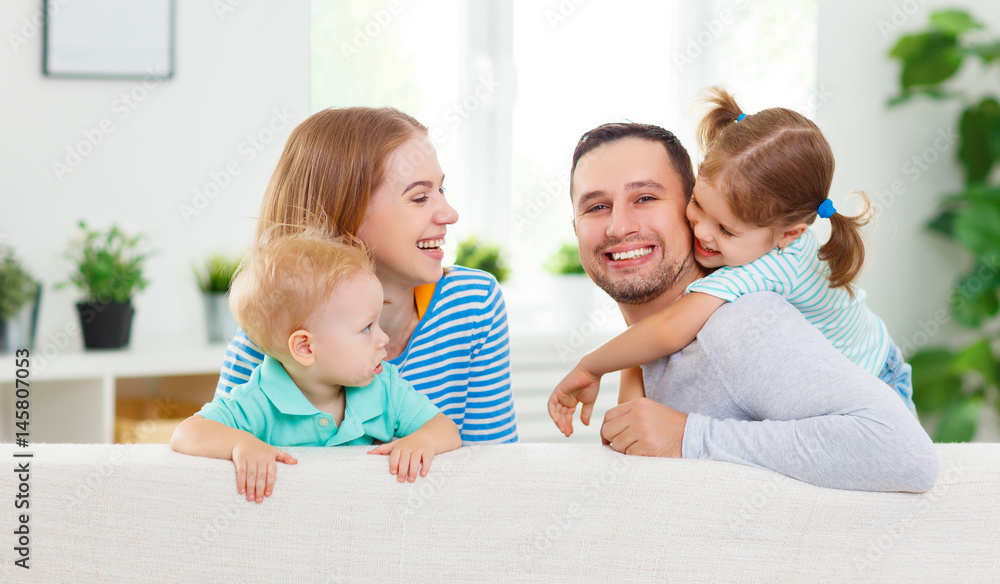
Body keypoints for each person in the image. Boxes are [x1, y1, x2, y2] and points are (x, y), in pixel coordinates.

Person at [547, 117, 938, 492]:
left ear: (685, 206)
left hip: (879, 366)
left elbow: (906, 454)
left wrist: (691, 436)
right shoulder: (647, 354)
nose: (619, 226)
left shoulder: (741, 322)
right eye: (596, 206)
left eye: (646, 197)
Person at [214, 107, 517, 445]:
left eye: (441, 191)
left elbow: (494, 471)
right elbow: (223, 477)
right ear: (343, 213)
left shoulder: (472, 303)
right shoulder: (273, 333)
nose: (449, 213)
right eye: (419, 197)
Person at [172, 232, 462, 502]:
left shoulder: (384, 387)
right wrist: (240, 444)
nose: (382, 338)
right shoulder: (258, 400)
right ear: (305, 348)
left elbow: (446, 429)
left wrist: (423, 440)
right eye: (366, 328)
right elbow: (187, 433)